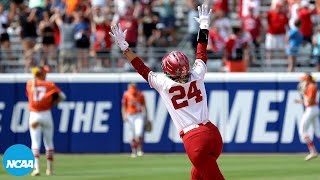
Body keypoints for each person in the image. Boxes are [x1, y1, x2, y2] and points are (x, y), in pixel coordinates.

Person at [110, 4, 224, 179]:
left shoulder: (164, 83)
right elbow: (201, 50)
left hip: (194, 140)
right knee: (196, 176)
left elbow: (141, 68)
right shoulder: (198, 73)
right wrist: (204, 26)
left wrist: (125, 48)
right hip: (213, 134)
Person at [26, 66, 66, 176]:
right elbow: (62, 96)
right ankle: (49, 169)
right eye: (45, 73)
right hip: (46, 114)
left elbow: (30, 95)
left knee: (35, 143)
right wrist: (53, 103)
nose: (46, 74)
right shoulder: (49, 85)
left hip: (34, 115)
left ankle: (37, 168)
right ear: (42, 74)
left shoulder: (29, 84)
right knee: (49, 143)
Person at [295, 73, 320, 161]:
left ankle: (313, 151)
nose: (303, 81)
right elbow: (308, 101)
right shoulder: (311, 86)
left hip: (311, 110)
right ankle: (313, 151)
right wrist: (301, 101)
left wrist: (303, 93)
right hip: (313, 109)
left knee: (302, 131)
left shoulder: (311, 86)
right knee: (318, 132)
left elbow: (310, 101)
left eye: (304, 79)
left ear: (308, 79)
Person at [122, 83, 148, 158]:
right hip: (130, 115)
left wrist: (146, 117)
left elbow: (144, 106)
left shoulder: (140, 94)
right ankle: (134, 151)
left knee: (139, 133)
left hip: (139, 115)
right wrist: (124, 115)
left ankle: (139, 149)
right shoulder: (126, 94)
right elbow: (124, 106)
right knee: (131, 135)